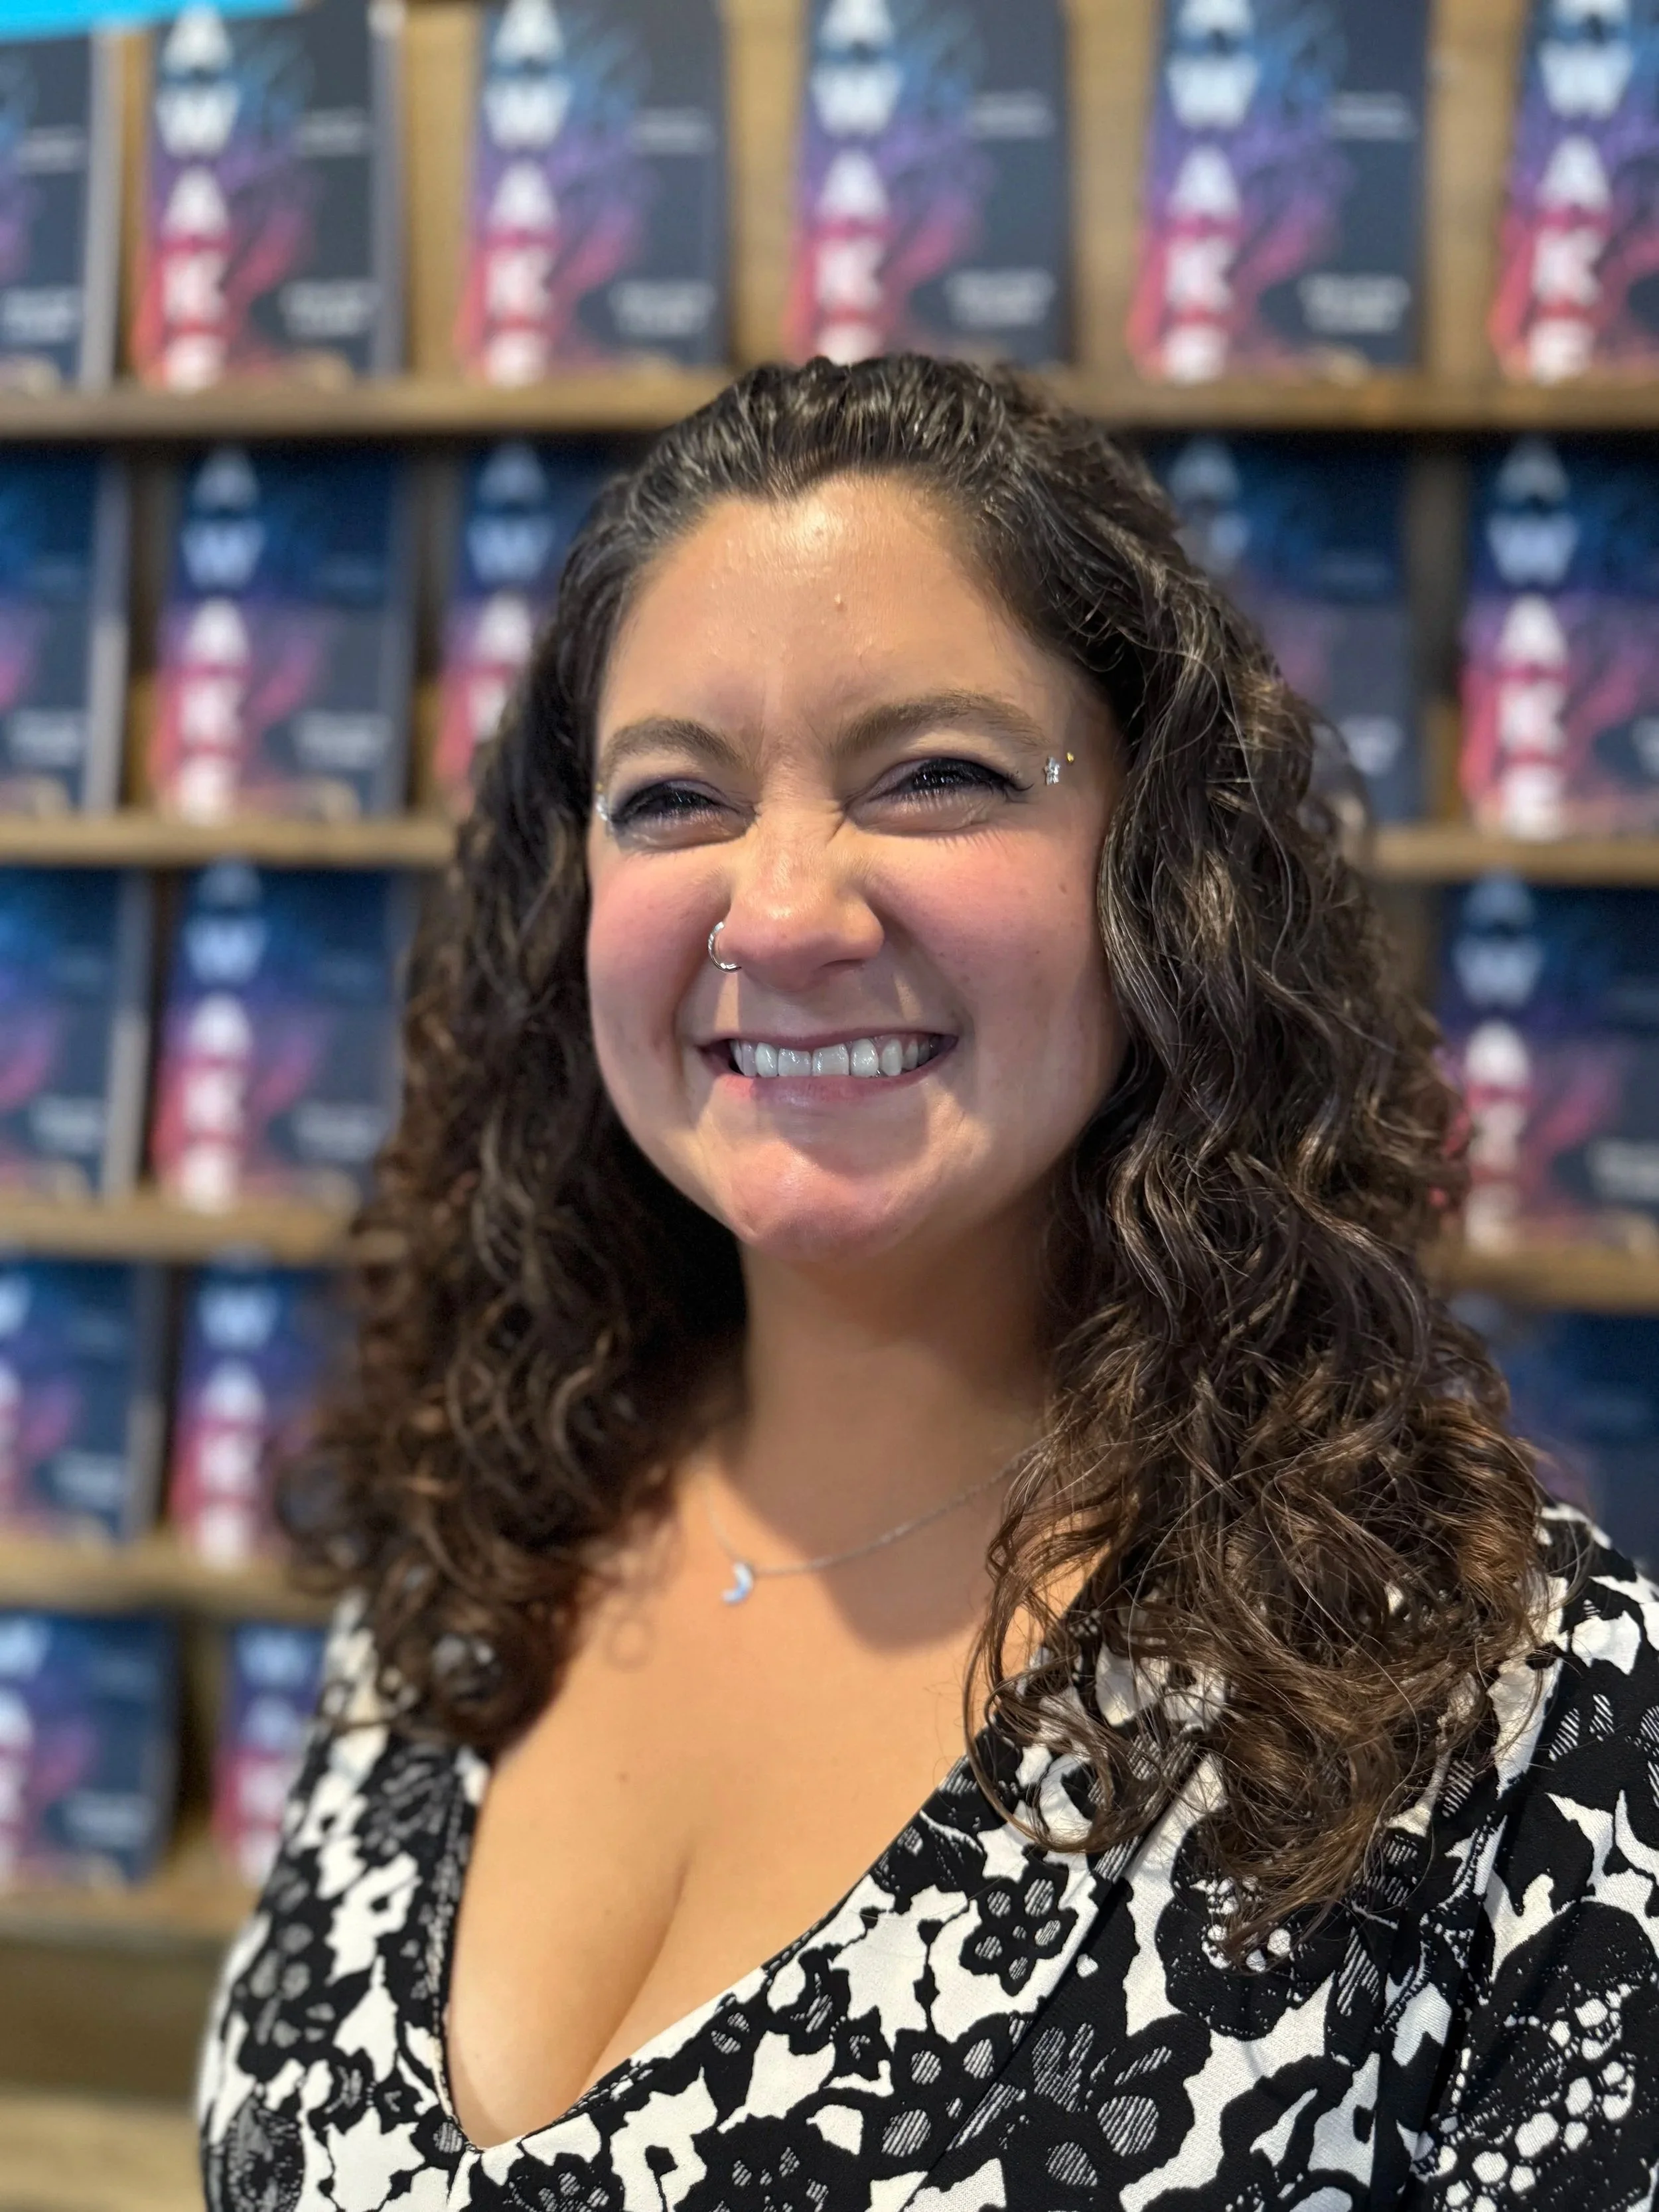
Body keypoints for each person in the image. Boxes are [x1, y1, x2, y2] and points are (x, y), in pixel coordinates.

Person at [198, 356, 1659, 2210]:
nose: (785, 907)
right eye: (672, 798)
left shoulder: (1514, 1718)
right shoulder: (465, 1543)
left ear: (1160, 869)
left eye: (938, 775)